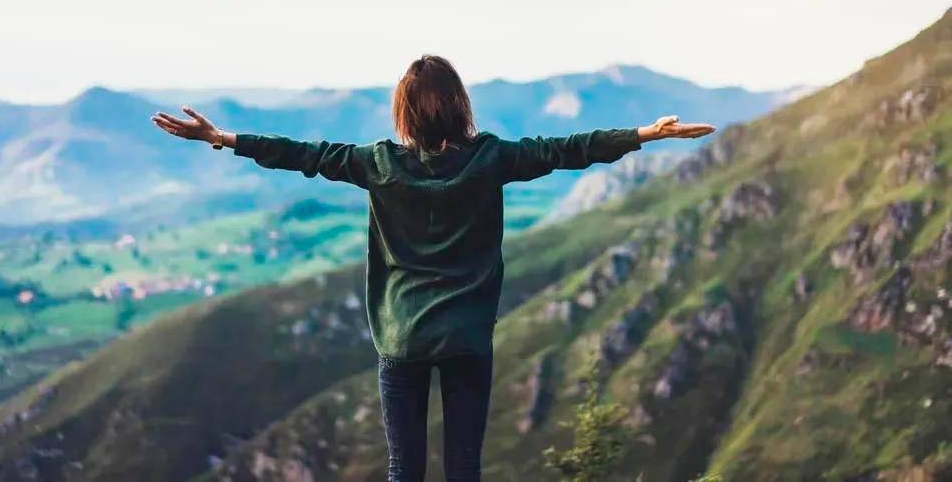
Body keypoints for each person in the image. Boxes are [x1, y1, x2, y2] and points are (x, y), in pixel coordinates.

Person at [151, 55, 715, 482]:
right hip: (467, 336)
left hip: (402, 337)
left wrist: (223, 138)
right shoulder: (490, 158)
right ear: (459, 106)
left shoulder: (375, 164)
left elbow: (303, 154)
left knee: (405, 466)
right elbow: (567, 149)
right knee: (463, 465)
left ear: (405, 113)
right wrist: (645, 134)